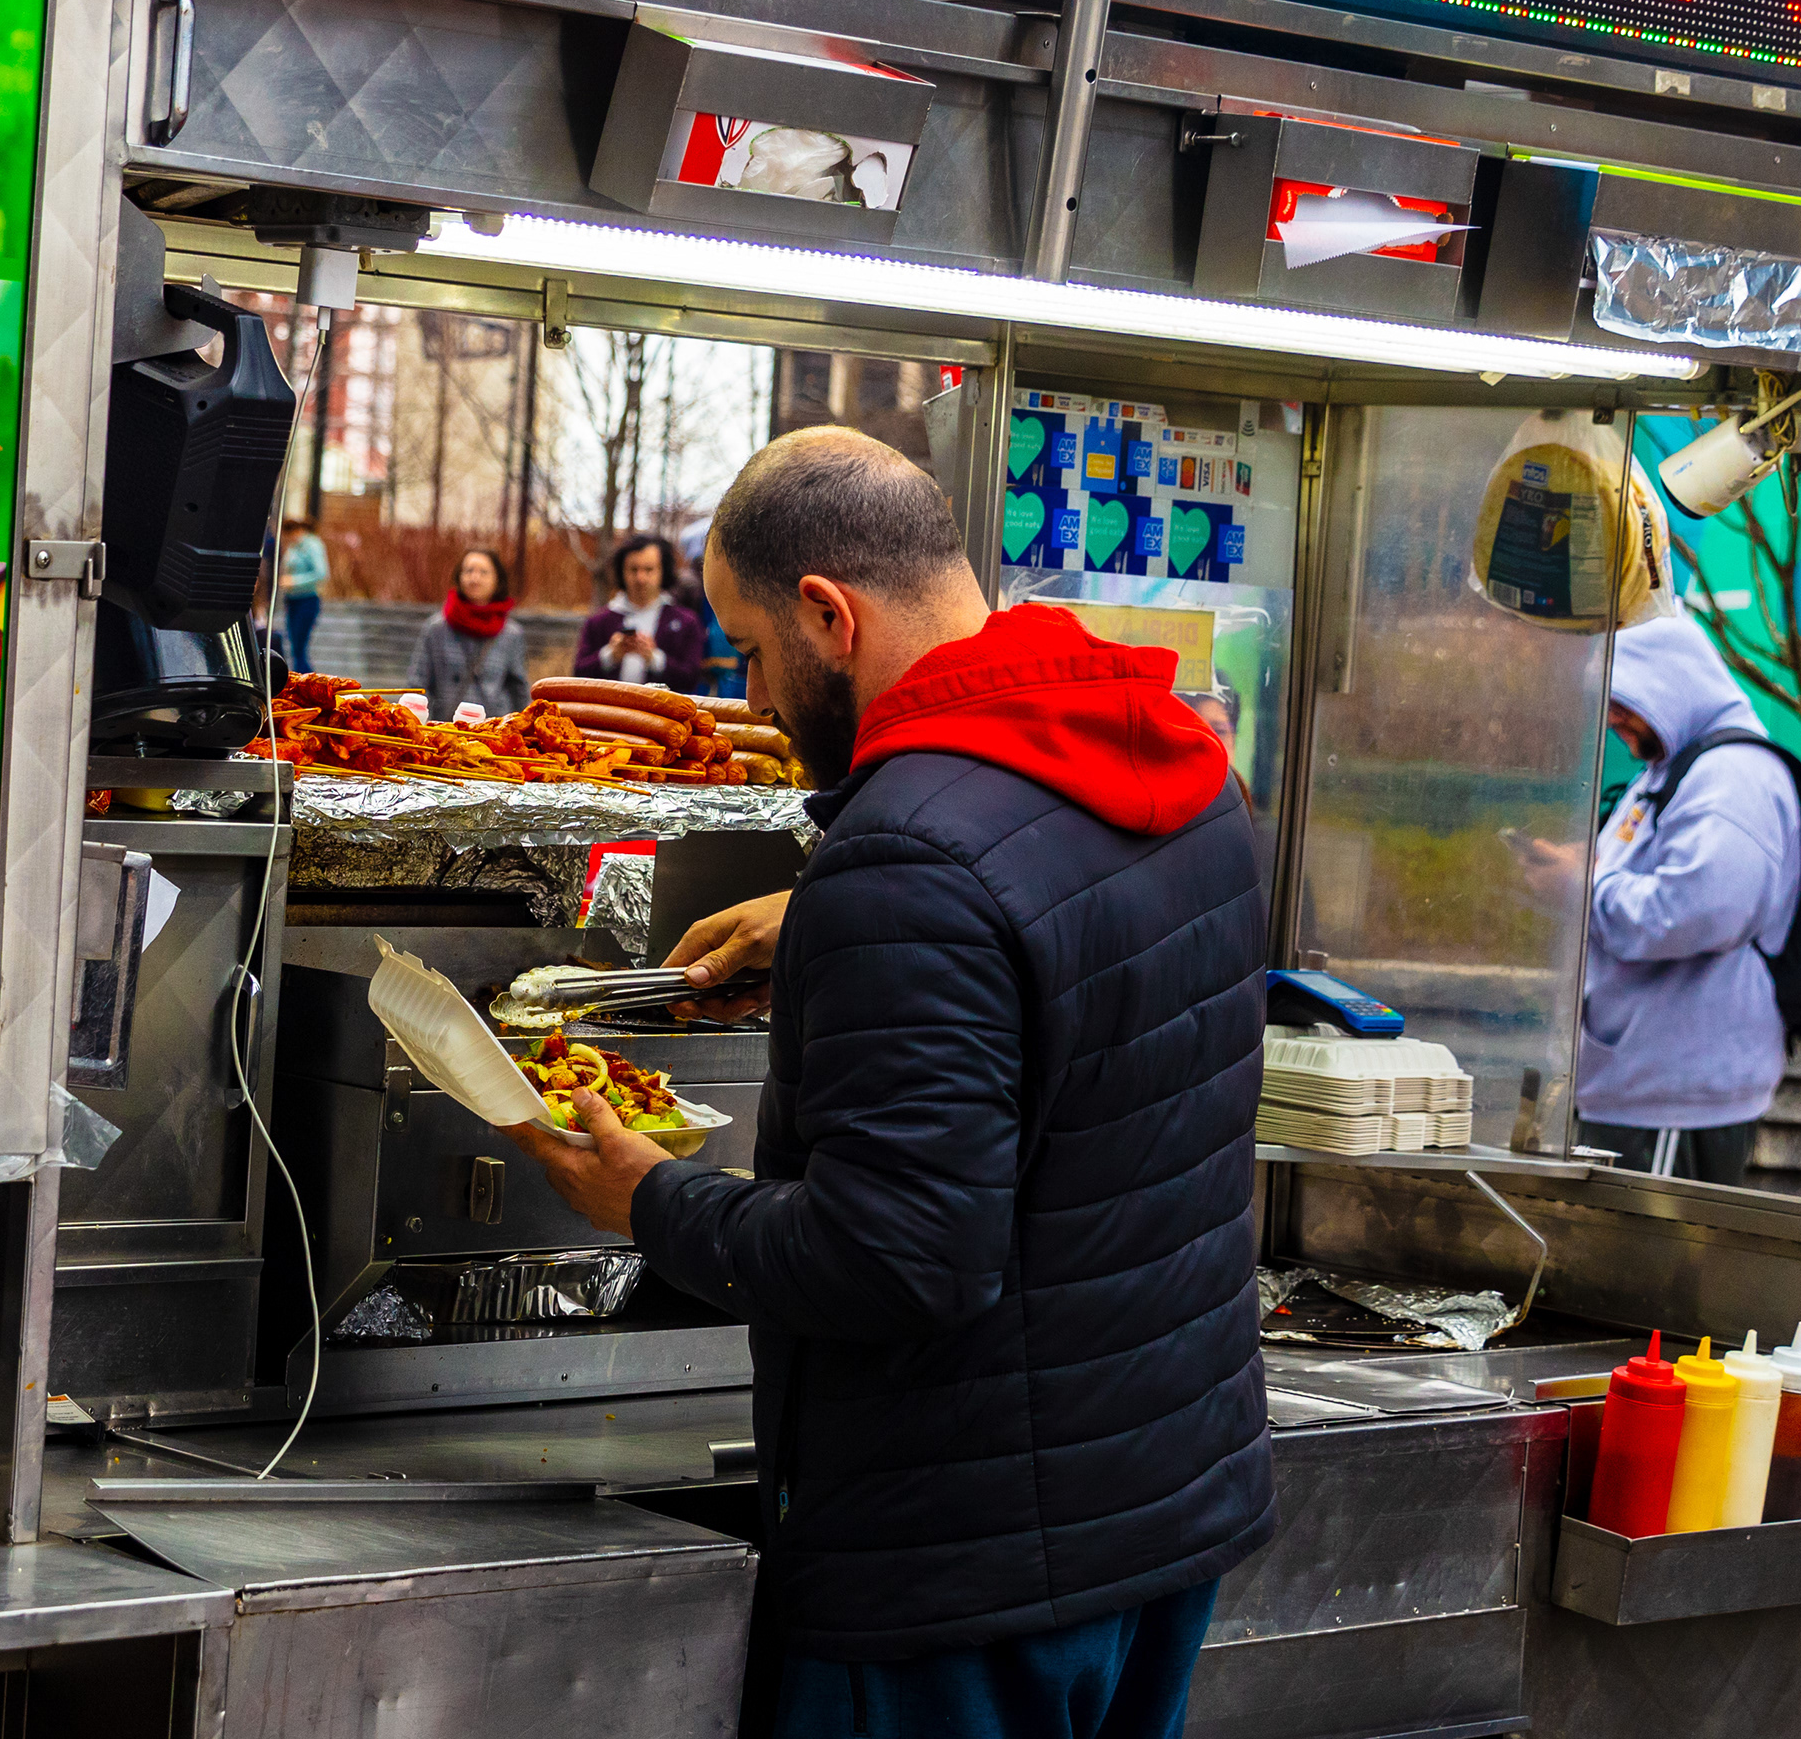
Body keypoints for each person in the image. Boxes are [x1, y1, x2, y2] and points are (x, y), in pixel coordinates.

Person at [513, 428, 1273, 1738]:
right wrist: (824, 924)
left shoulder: (906, 858)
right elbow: (1063, 958)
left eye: (752, 651)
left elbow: (898, 1259)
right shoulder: (1176, 762)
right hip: (1160, 1516)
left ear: (829, 613)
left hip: (957, 1577)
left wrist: (649, 1199)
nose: (753, 695)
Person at [1531, 613, 1801, 1186]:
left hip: (1674, 1095)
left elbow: (1695, 912)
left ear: (1668, 683)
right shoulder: (1679, 767)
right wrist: (1586, 868)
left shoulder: (1730, 779)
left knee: (1650, 1246)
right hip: (1645, 1083)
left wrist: (1580, 886)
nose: (1612, 718)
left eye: (1623, 700)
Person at [575, 532, 710, 694]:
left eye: (649, 569)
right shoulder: (598, 621)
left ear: (663, 571)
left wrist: (654, 658)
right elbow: (578, 674)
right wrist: (610, 655)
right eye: (633, 569)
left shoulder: (687, 622)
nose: (641, 578)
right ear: (622, 571)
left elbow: (692, 678)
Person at [408, 546, 529, 723]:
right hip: (445, 729)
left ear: (497, 580)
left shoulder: (511, 634)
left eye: (484, 572)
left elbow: (519, 689)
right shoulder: (436, 628)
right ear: (459, 576)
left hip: (493, 732)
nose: (475, 578)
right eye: (469, 571)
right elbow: (418, 684)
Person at [277, 515, 326, 671]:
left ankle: (306, 680)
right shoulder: (294, 547)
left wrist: (294, 581)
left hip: (307, 599)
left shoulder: (312, 545)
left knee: (300, 647)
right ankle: (302, 678)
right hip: (292, 600)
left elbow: (321, 573)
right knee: (295, 646)